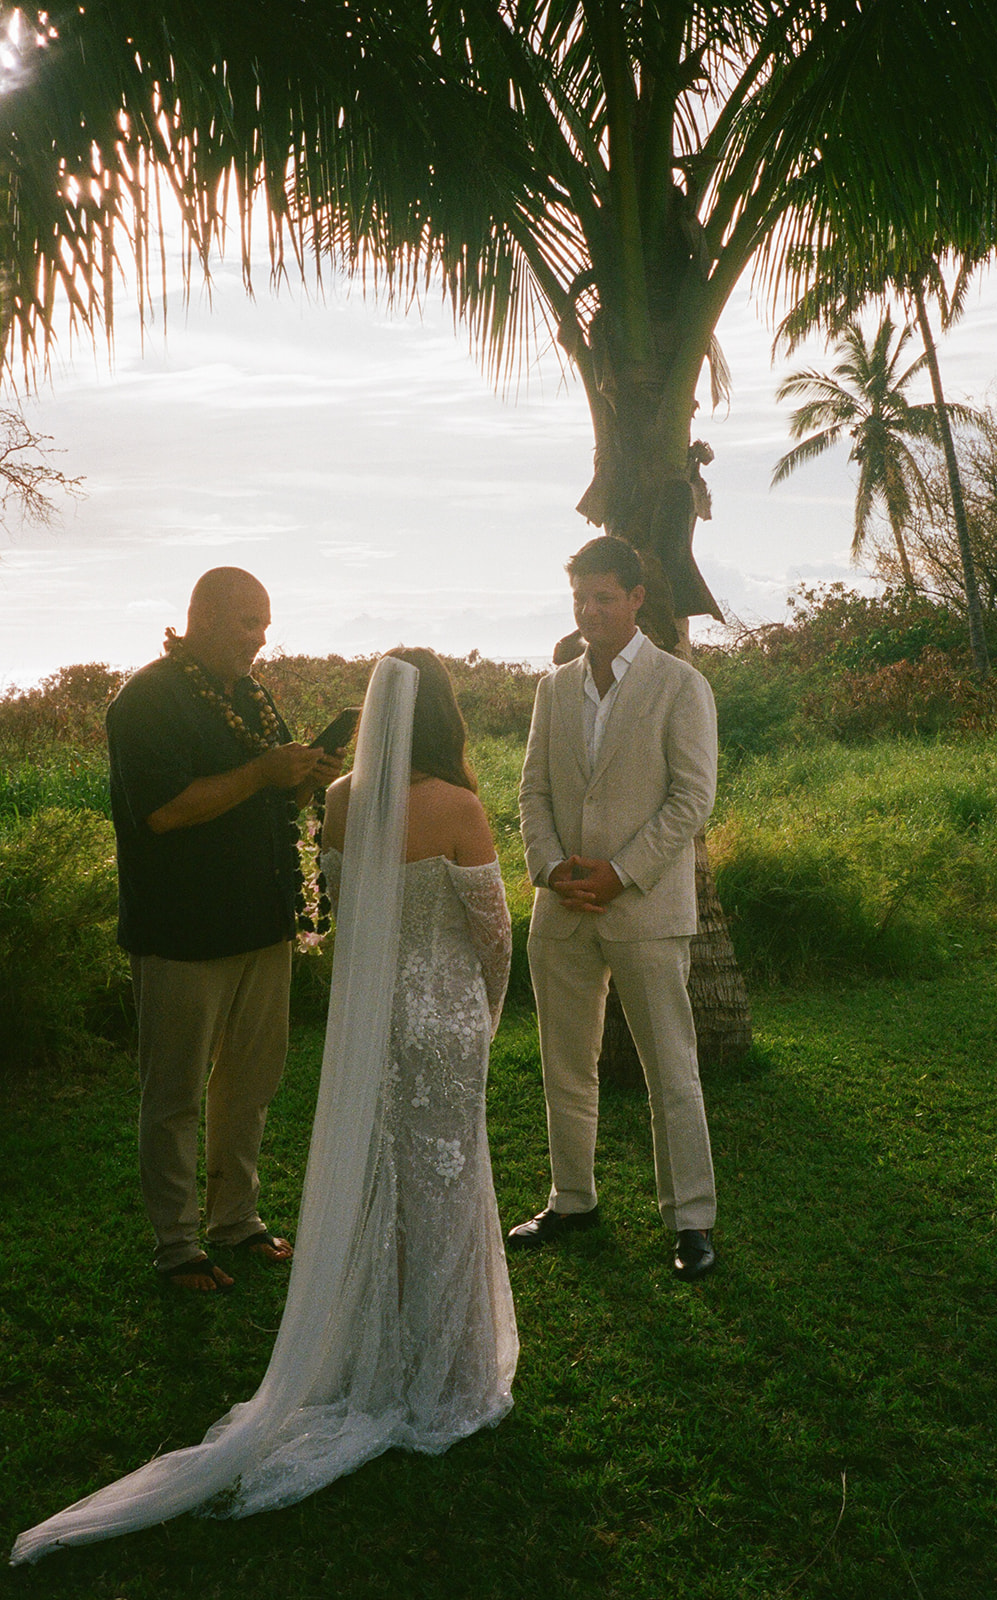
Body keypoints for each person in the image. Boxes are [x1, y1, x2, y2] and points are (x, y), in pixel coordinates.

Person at [12, 650, 516, 1564]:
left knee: (380, 1179)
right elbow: (492, 930)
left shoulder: (338, 800)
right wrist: (485, 1007)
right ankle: (450, 1377)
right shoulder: (458, 806)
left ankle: (385, 1349)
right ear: (447, 716)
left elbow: (333, 907)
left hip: (369, 1026)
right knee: (446, 1178)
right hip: (440, 1019)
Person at [106, 567, 343, 1292]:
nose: (260, 640)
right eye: (248, 624)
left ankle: (235, 1220)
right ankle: (177, 1246)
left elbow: (263, 790)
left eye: (266, 625)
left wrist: (303, 775)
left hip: (261, 922)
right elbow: (165, 811)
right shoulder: (147, 699)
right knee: (175, 1094)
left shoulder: (249, 695)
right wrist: (263, 772)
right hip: (183, 930)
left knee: (250, 1083)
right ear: (203, 618)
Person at [510, 535, 719, 1281]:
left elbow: (691, 798)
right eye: (581, 598)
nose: (590, 611)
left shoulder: (679, 685)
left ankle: (691, 1220)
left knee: (672, 1069)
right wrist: (550, 867)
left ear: (636, 599)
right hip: (562, 908)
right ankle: (572, 1199)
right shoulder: (554, 687)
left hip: (644, 911)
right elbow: (532, 790)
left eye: (604, 597)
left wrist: (621, 874)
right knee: (566, 1066)